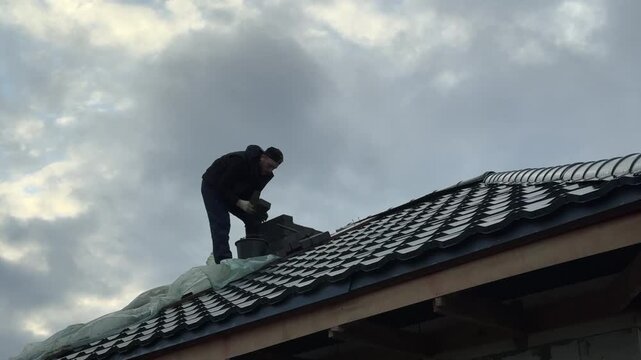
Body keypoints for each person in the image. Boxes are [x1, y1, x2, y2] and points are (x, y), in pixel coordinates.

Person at [201, 145, 283, 263]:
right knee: (221, 223)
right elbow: (222, 186)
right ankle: (224, 261)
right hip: (213, 187)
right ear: (263, 157)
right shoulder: (239, 161)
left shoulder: (266, 175)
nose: (269, 170)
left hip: (234, 193)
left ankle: (253, 257)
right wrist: (239, 202)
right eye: (269, 166)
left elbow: (253, 196)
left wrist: (258, 211)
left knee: (253, 219)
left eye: (273, 168)